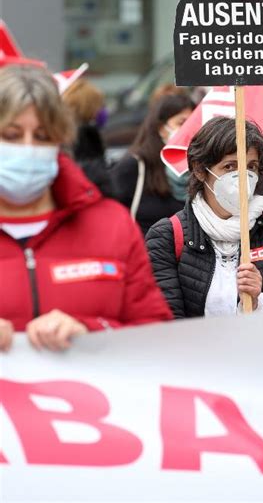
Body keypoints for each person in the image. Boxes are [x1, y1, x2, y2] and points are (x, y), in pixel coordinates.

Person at [0, 64, 172, 353]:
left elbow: (155, 338)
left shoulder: (111, 224)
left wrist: (92, 333)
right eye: (12, 135)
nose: (27, 148)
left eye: (42, 136)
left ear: (61, 141)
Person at [146, 117, 263, 318]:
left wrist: (260, 302)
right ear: (199, 170)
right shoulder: (167, 237)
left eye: (251, 166)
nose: (242, 176)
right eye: (230, 167)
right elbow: (166, 320)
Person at [111, 92, 195, 236]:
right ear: (161, 127)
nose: (188, 130)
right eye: (182, 123)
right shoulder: (134, 166)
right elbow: (112, 218)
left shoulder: (198, 168)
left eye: (193, 124)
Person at [62, 78, 115, 196]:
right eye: (101, 105)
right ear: (90, 109)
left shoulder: (67, 136)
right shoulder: (86, 140)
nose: (104, 111)